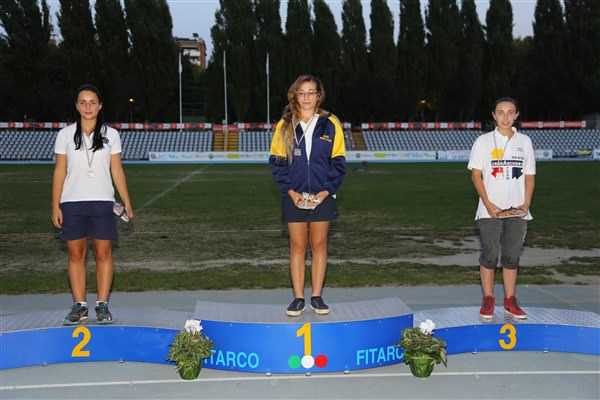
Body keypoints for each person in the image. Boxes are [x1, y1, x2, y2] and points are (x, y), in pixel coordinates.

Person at [52, 83, 134, 325]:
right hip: (72, 202)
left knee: (103, 253)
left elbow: (117, 170)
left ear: (100, 105)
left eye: (92, 102)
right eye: (83, 102)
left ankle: (102, 304)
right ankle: (79, 305)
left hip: (102, 202)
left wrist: (127, 202)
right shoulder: (64, 135)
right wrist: (55, 205)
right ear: (77, 105)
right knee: (76, 254)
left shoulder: (112, 135)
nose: (88, 106)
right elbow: (59, 171)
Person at [269, 74, 346, 317]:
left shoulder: (331, 122)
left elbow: (339, 162)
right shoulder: (285, 125)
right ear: (295, 95)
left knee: (319, 244)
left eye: (311, 92)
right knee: (298, 245)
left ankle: (317, 297)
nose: (306, 97)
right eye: (301, 92)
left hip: (322, 195)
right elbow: (277, 163)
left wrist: (325, 192)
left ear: (319, 95)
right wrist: (290, 192)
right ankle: (298, 298)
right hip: (294, 195)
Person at [468, 97, 536, 320]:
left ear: (516, 115)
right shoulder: (484, 142)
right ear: (493, 115)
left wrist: (526, 204)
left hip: (517, 211)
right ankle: (488, 299)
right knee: (489, 255)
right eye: (501, 112)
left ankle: (510, 300)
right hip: (490, 211)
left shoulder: (525, 142)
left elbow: (529, 176)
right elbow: (476, 175)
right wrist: (488, 204)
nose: (505, 117)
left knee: (511, 257)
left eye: (510, 112)